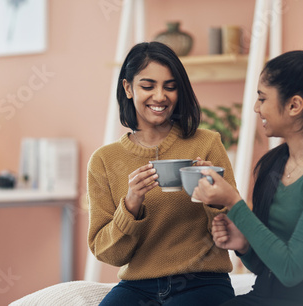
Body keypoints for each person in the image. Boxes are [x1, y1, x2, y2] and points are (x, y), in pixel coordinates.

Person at [193, 45, 303, 306]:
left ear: (294, 105)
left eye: (262, 98)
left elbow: (291, 270)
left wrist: (235, 204)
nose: (256, 108)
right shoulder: (273, 164)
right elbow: (269, 267)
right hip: (269, 294)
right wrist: (244, 246)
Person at [87, 41, 236, 305]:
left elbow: (234, 230)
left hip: (202, 280)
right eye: (148, 86)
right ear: (128, 88)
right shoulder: (104, 160)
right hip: (137, 287)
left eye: (170, 86)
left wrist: (213, 196)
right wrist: (131, 206)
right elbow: (107, 253)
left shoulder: (207, 144)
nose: (160, 96)